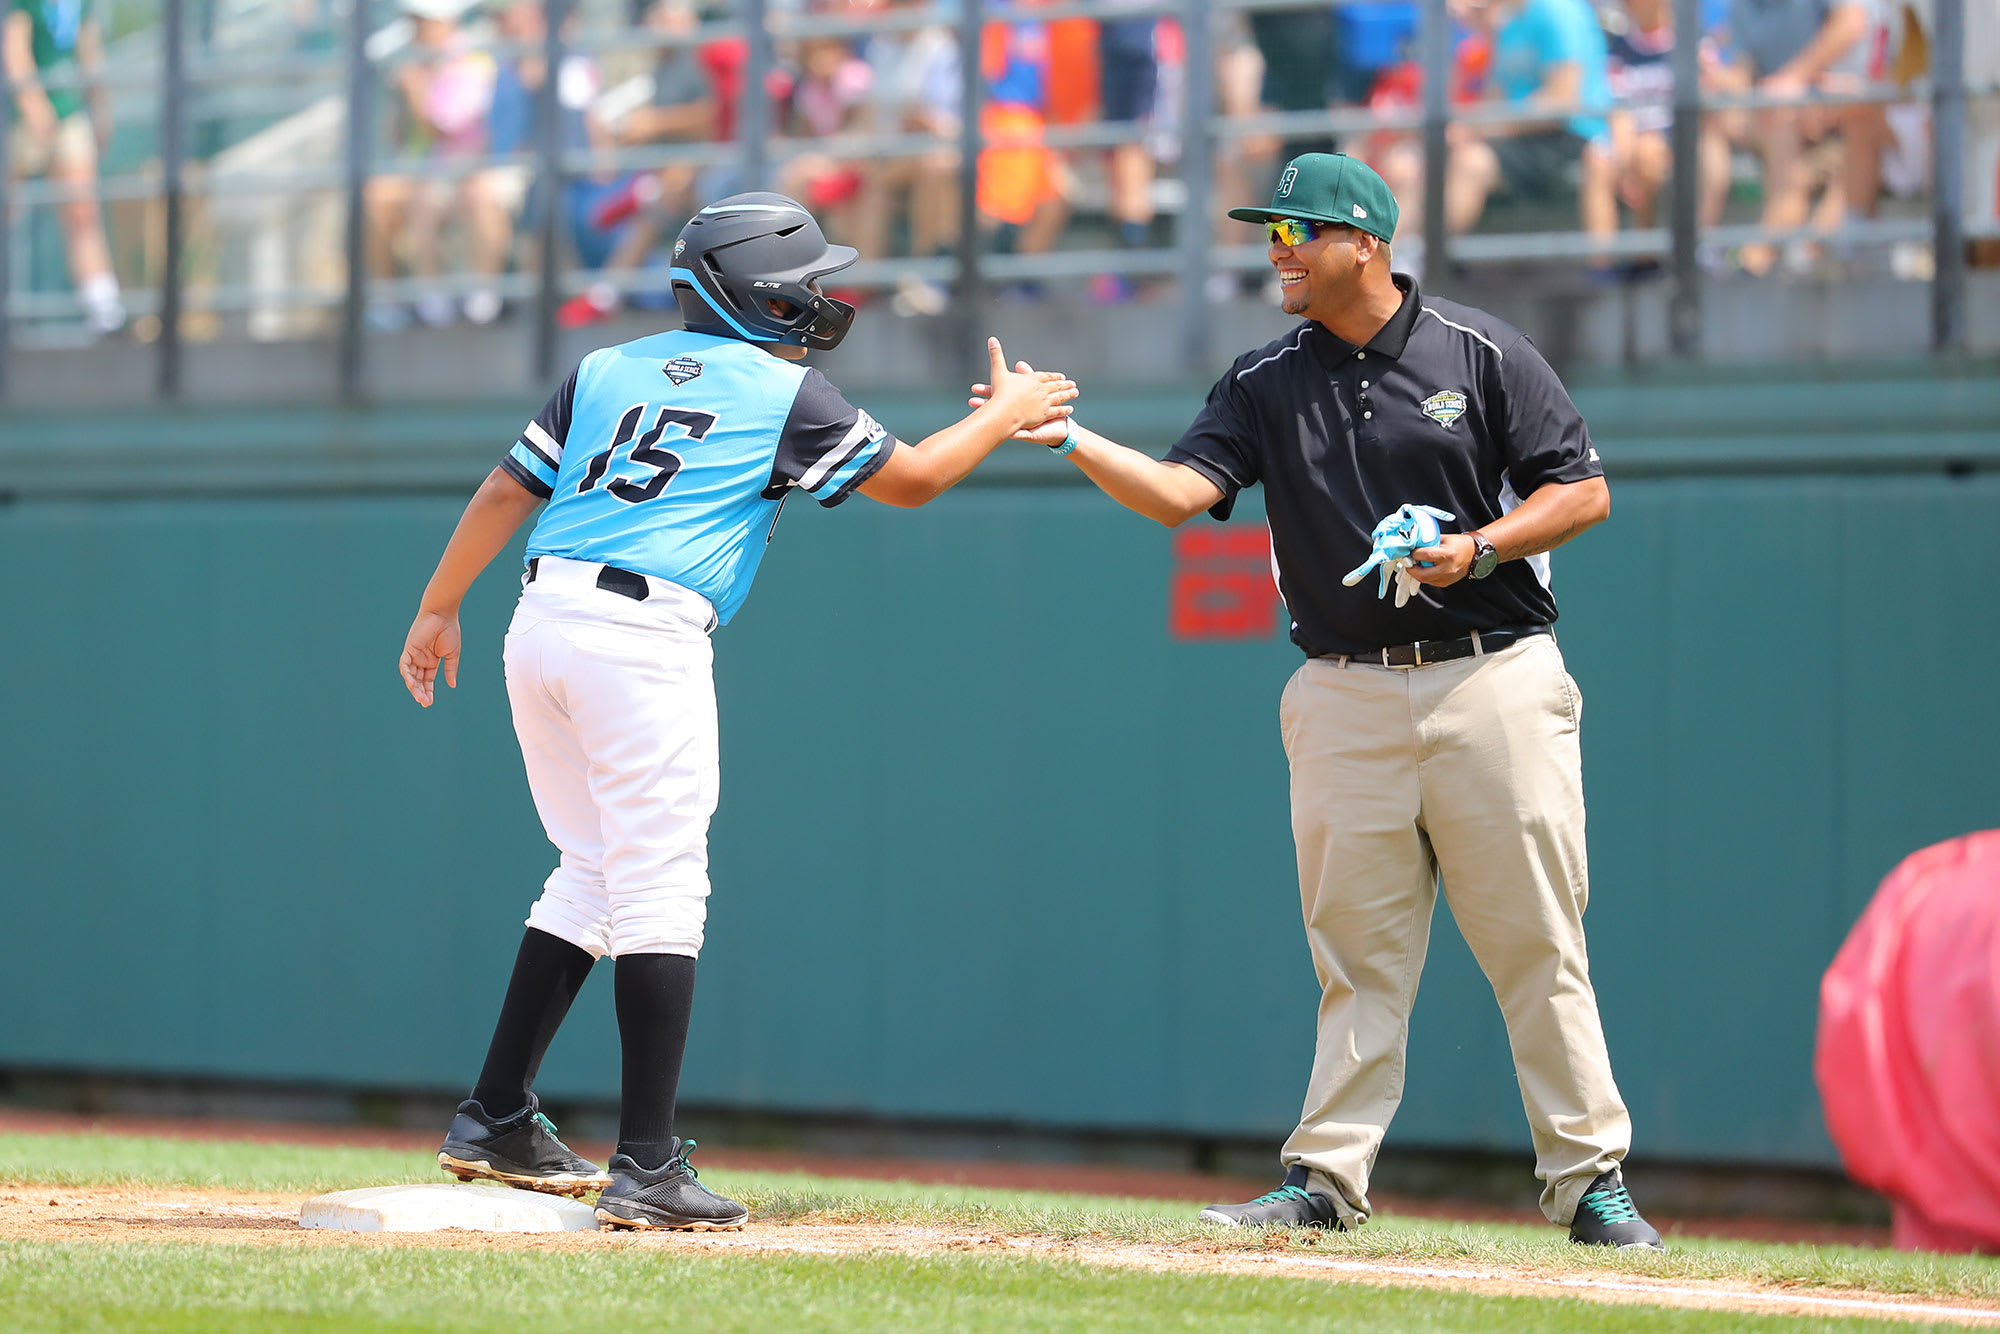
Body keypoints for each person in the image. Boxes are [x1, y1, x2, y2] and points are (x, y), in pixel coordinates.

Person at [974, 153, 1665, 1250]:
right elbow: (1177, 494)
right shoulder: (1264, 377)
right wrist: (1066, 435)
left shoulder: (1477, 350)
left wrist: (1474, 545)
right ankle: (1324, 1181)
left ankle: (1589, 1180)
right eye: (1269, 230)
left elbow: (1581, 489)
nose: (1276, 249)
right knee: (1354, 954)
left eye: (1299, 230)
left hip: (1491, 672)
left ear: (1367, 243)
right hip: (1342, 693)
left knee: (1537, 939)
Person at [397, 193, 1076, 1230]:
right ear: (758, 287)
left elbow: (504, 488)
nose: (818, 294)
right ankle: (647, 1161)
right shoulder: (784, 387)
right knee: (662, 881)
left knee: (590, 866)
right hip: (641, 635)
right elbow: (917, 480)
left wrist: (438, 603)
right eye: (804, 279)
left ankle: (494, 1111)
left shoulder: (605, 366)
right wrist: (1005, 409)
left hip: (538, 619)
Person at [1377, 0, 1612, 276]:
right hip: (1518, 138)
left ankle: (1417, 260)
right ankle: (1384, 260)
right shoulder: (1508, 23)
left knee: (1472, 162)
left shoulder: (1558, 10)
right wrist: (1461, 130)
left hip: (1570, 136)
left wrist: (1479, 129)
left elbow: (1560, 103)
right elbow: (1494, 97)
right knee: (1412, 160)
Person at [366, 0, 512, 328]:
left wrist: (415, 88)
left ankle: (457, 298)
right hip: (424, 173)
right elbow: (399, 137)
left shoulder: (472, 62)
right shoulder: (416, 63)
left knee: (430, 200)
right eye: (415, 20)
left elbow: (442, 127)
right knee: (373, 198)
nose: (417, 28)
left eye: (423, 21)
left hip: (463, 173)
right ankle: (387, 301)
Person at [1709, 0, 1883, 275]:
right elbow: (1744, 75)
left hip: (1847, 120)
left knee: (1843, 166)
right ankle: (1770, 257)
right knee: (1782, 138)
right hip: (1791, 125)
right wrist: (1714, 77)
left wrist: (1796, 83)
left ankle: (1772, 257)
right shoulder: (1743, 8)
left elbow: (1851, 25)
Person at [4, 0, 125, 335]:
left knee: (83, 213)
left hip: (67, 113)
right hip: (19, 119)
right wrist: (33, 105)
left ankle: (105, 313)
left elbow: (89, 50)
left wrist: (100, 107)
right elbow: (14, 49)